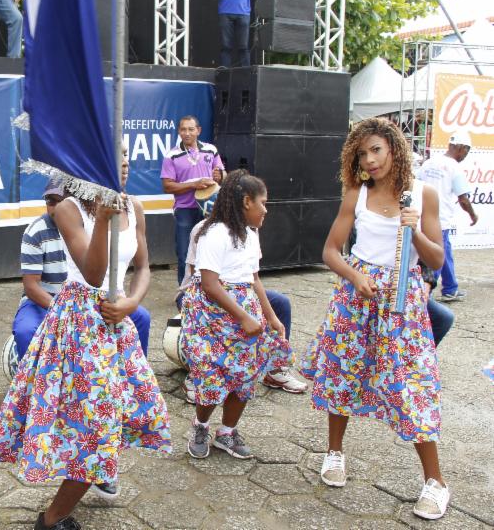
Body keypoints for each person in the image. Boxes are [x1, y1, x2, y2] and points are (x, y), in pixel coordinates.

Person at [0, 151, 171, 530]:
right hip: (80, 324)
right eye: (111, 153)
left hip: (116, 321)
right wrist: (103, 218)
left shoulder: (134, 206)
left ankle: (88, 475)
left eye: (124, 154)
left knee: (117, 416)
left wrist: (132, 303)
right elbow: (92, 273)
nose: (121, 161)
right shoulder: (70, 209)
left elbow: (145, 267)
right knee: (93, 421)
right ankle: (53, 517)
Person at [301, 117, 448, 521]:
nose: (370, 160)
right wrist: (355, 276)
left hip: (402, 305)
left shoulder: (424, 195)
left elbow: (436, 259)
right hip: (357, 298)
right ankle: (334, 453)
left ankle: (435, 482)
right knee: (342, 375)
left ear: (394, 148)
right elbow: (331, 251)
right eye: (362, 154)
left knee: (410, 386)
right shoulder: (356, 194)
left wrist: (414, 230)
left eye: (376, 150)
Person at [180, 170, 294, 461]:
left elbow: (253, 279)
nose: (266, 210)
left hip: (244, 311)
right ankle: (201, 425)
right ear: (246, 202)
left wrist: (270, 316)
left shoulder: (251, 234)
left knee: (243, 377)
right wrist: (243, 316)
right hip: (212, 316)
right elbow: (208, 283)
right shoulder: (214, 233)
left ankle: (227, 432)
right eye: (263, 203)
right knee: (212, 377)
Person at [13, 179, 152, 364]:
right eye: (50, 201)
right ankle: (29, 375)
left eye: (60, 200)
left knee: (141, 316)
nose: (55, 207)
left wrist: (131, 302)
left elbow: (142, 267)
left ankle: (134, 367)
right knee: (26, 331)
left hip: (99, 303)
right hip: (45, 301)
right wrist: (60, 312)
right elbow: (31, 287)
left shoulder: (100, 221)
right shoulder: (36, 231)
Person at [161, 115, 225, 285]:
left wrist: (221, 175)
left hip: (210, 209)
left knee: (211, 251)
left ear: (198, 131)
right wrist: (194, 185)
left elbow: (222, 174)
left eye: (191, 129)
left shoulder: (211, 150)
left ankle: (212, 290)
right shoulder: (171, 155)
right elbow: (167, 186)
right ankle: (184, 293)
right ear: (179, 132)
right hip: (185, 210)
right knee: (184, 254)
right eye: (183, 129)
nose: (187, 133)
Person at [418, 129, 478, 301]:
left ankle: (450, 287)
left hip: (423, 216)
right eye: (467, 150)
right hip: (439, 219)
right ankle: (425, 292)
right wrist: (473, 216)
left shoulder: (429, 163)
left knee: (445, 253)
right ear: (460, 147)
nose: (466, 154)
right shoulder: (455, 168)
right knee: (438, 255)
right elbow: (463, 199)